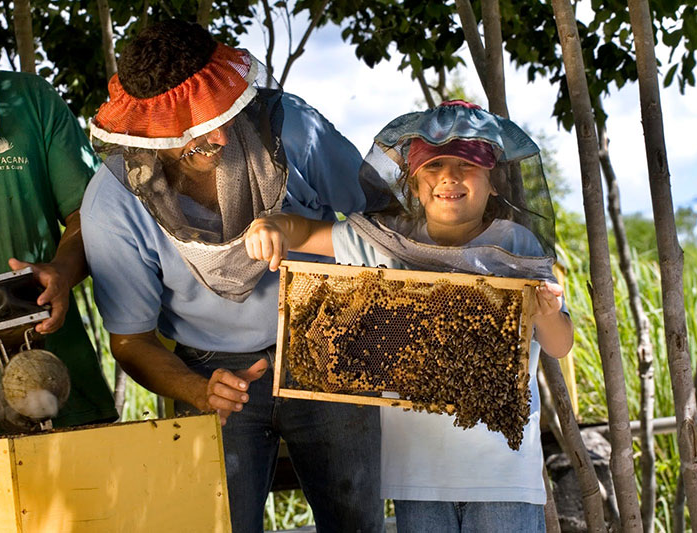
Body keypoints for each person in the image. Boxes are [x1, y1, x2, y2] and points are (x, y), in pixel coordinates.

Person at [80, 19, 382, 532]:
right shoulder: (112, 203)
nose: (217, 134)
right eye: (193, 126)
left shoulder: (292, 129)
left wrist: (304, 232)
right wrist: (201, 392)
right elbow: (130, 341)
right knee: (221, 524)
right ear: (148, 130)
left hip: (330, 342)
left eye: (222, 111)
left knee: (356, 521)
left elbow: (379, 222)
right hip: (206, 368)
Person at [246, 100, 574, 532]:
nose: (449, 178)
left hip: (503, 476)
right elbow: (304, 232)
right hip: (416, 477)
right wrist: (273, 226)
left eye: (467, 165)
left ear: (495, 181)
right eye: (433, 168)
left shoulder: (516, 245)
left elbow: (559, 343)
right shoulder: (384, 244)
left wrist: (547, 313)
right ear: (414, 184)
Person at [0, 0, 117, 437]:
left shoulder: (29, 100)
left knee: (88, 502)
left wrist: (61, 271)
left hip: (53, 368)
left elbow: (90, 214)